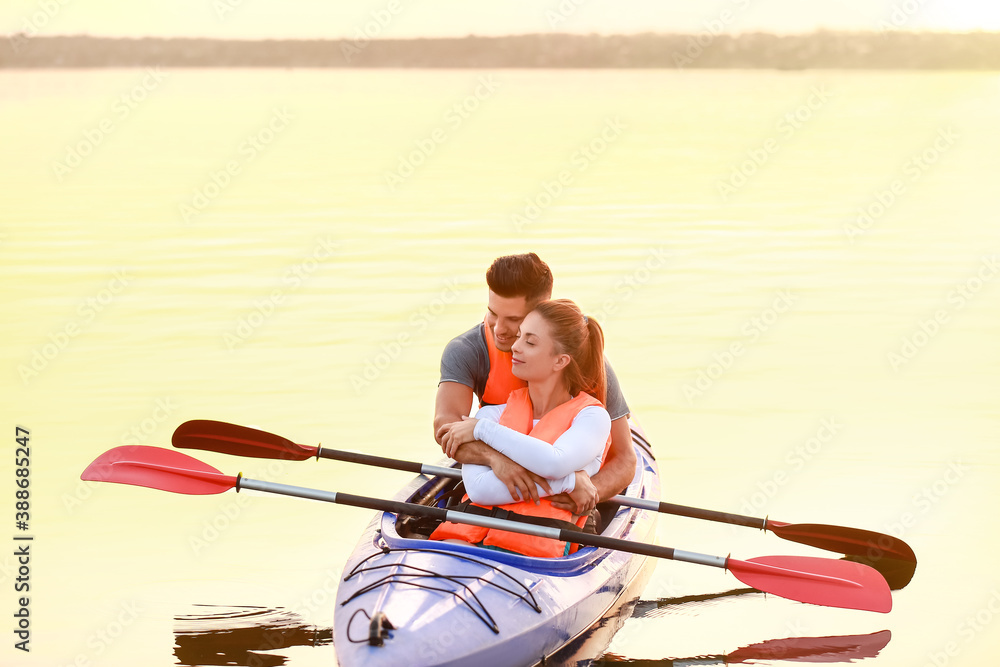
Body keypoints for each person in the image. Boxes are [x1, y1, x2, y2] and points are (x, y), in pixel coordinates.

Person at [433, 253, 636, 517]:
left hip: (567, 499)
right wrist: (496, 459)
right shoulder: (467, 350)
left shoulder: (585, 361)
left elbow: (625, 459)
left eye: (515, 320)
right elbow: (448, 431)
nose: (500, 330)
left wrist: (585, 491)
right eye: (493, 313)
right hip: (500, 489)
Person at [431, 299, 612, 557]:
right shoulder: (491, 414)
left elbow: (554, 463)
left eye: (530, 341)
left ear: (560, 361)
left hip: (534, 560)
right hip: (464, 547)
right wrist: (571, 481)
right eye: (519, 337)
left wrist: (482, 431)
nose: (514, 347)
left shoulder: (591, 418)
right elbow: (480, 490)